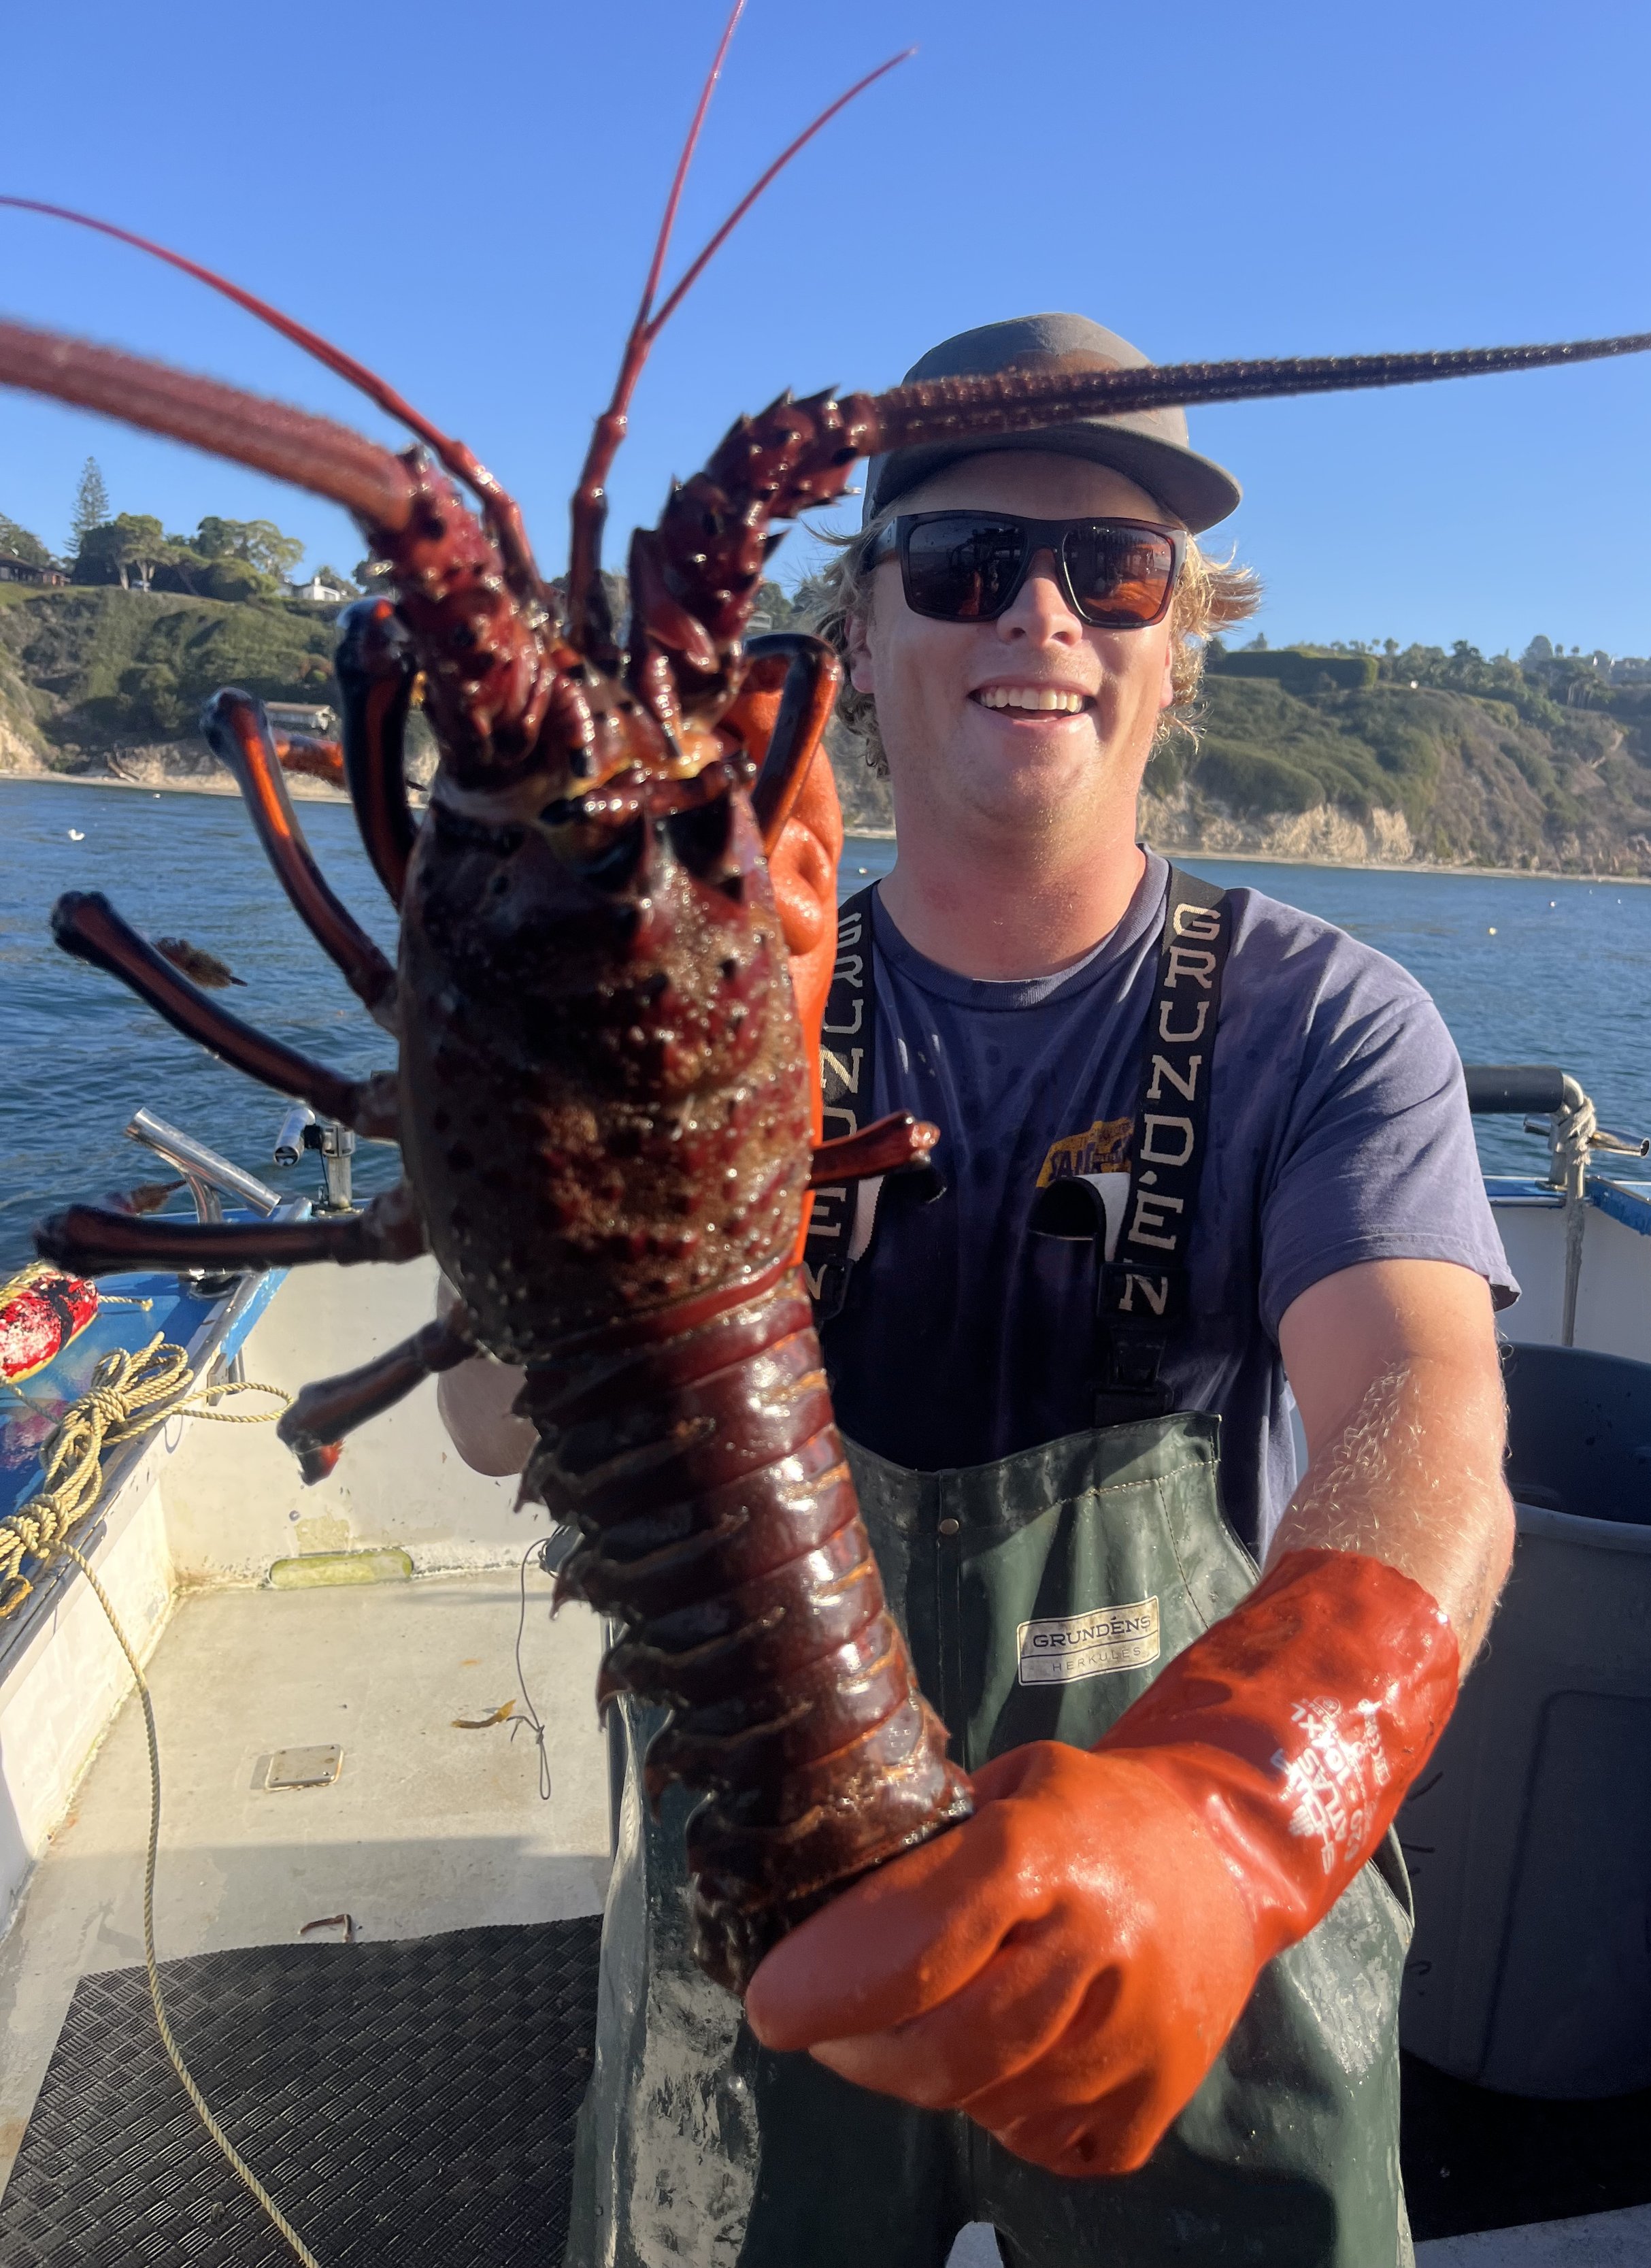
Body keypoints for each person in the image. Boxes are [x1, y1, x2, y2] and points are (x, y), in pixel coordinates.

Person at [440, 313, 1517, 2268]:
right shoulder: (707, 984)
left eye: (1115, 573)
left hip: (1173, 1898)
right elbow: (493, 1418)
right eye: (962, 565)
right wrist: (533, 1118)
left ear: (1183, 644)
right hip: (756, 1892)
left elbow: (1417, 1411)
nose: (1042, 616)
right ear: (856, 635)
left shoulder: (1324, 1021)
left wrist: (1237, 1820)